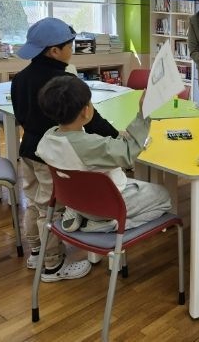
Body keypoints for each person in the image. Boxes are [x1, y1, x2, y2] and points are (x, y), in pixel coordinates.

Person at [11, 17, 119, 282]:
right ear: (54, 51)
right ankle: (52, 265)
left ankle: (36, 252)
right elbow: (90, 119)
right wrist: (116, 137)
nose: (73, 49)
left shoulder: (20, 78)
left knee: (34, 203)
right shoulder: (64, 81)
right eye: (70, 45)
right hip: (52, 155)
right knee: (51, 209)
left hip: (29, 149)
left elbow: (20, 116)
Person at [36, 76, 172, 233]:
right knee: (164, 197)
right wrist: (143, 114)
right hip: (105, 204)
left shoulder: (48, 138)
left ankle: (80, 213)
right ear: (86, 111)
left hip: (75, 199)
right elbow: (128, 152)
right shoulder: (89, 146)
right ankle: (109, 224)